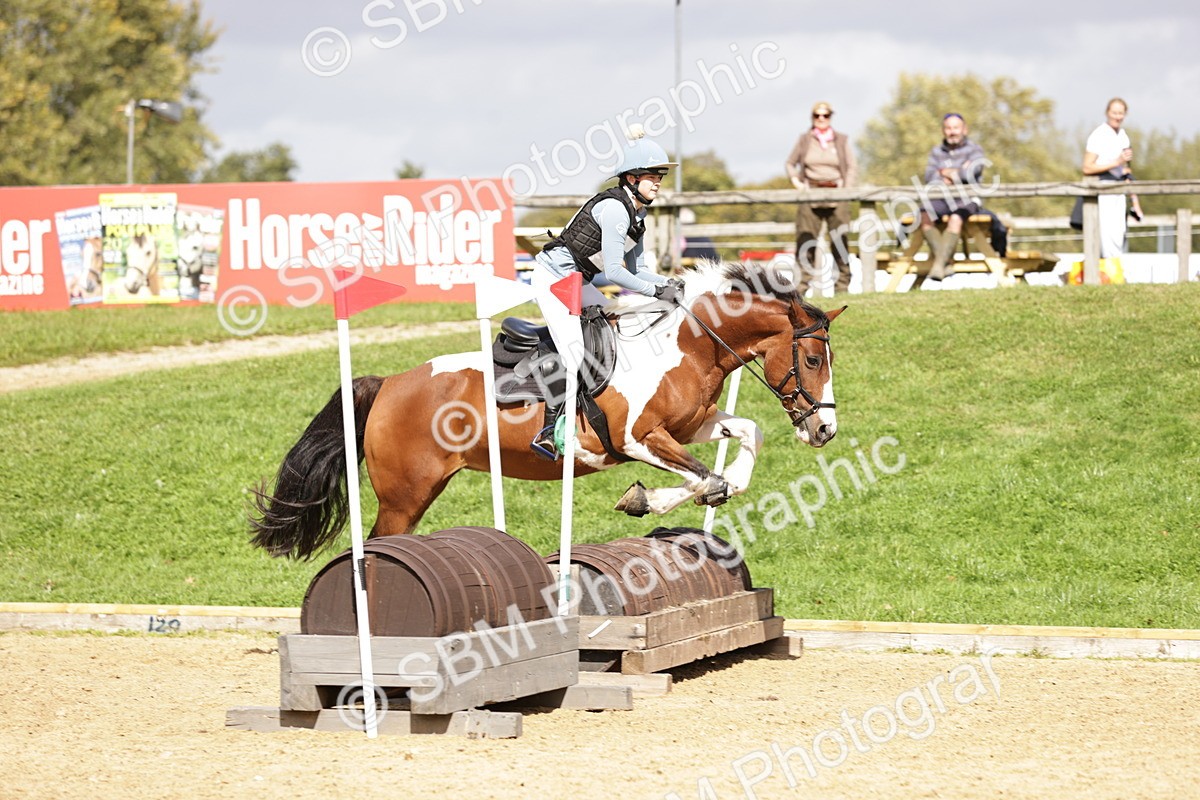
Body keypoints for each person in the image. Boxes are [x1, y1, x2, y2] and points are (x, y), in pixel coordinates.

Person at [536, 126, 684, 307]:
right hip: (555, 277)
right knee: (573, 337)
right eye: (651, 177)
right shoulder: (616, 210)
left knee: (610, 320)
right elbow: (613, 272)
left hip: (577, 280)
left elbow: (637, 270)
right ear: (632, 179)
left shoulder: (637, 216)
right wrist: (656, 292)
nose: (657, 183)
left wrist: (668, 282)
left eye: (660, 178)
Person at [918, 113, 1008, 281]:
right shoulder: (936, 152)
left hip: (967, 198)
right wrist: (958, 171)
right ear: (943, 130)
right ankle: (946, 261)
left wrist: (945, 173)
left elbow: (973, 172)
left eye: (956, 128)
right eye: (948, 128)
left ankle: (938, 265)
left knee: (956, 218)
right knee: (924, 215)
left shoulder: (975, 149)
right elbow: (930, 176)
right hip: (941, 197)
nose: (952, 132)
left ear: (964, 129)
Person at [784, 101, 857, 294]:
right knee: (805, 242)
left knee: (839, 241)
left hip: (837, 194)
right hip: (811, 195)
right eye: (817, 115)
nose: (821, 119)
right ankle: (799, 290)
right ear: (812, 117)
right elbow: (790, 163)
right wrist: (796, 182)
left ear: (831, 117)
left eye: (825, 115)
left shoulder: (841, 140)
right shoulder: (805, 140)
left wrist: (846, 190)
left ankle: (842, 286)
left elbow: (851, 166)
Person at [1082, 97, 1143, 259]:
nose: (1117, 116)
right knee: (1106, 235)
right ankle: (1106, 274)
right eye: (1114, 112)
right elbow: (1087, 167)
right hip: (1103, 189)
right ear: (1107, 113)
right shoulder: (1099, 135)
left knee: (1119, 232)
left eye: (1121, 113)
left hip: (1120, 190)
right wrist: (1116, 162)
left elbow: (1126, 170)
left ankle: (1114, 273)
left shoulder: (1123, 135)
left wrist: (1135, 202)